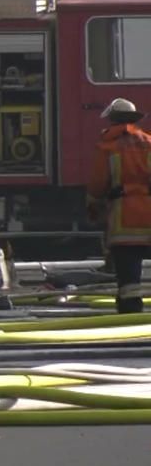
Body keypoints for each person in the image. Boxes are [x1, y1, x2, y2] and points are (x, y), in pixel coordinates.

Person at [86, 97, 151, 314]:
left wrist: (94, 208)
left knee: (128, 270)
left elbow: (97, 184)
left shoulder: (107, 147)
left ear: (112, 119)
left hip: (124, 218)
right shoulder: (149, 144)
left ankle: (130, 309)